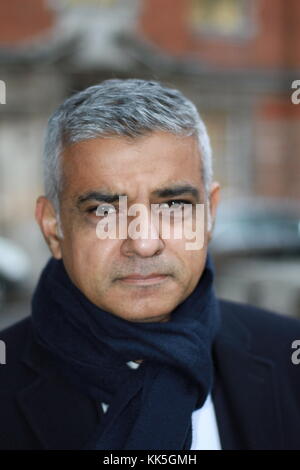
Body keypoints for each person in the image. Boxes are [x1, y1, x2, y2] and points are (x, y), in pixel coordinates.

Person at [0, 79, 300, 450]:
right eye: (104, 211)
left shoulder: (288, 355)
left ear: (211, 214)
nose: (144, 243)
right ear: (53, 227)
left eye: (174, 206)